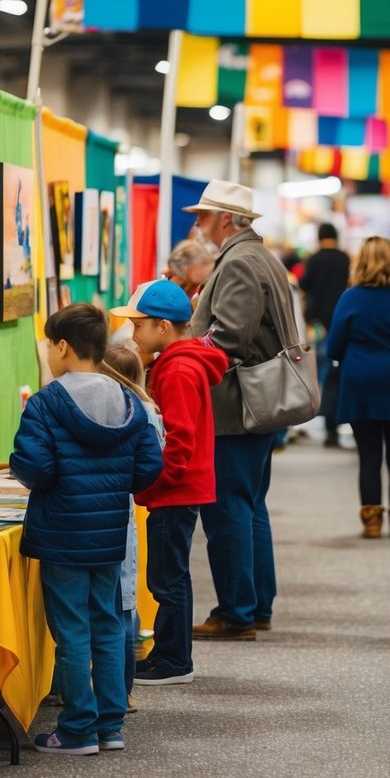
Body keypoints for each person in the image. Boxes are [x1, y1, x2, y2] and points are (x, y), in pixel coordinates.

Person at [11, 303, 163, 755]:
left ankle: (77, 728)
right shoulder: (129, 402)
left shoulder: (46, 402)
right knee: (109, 625)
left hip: (61, 535)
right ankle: (111, 725)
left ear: (61, 346)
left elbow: (33, 467)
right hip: (110, 535)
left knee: (73, 631)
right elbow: (149, 465)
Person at [187, 180, 299, 639]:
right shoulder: (260, 258)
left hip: (235, 407)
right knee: (250, 505)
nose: (197, 224)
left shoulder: (238, 262)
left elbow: (230, 337)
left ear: (226, 218)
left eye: (204, 216)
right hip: (257, 403)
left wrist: (186, 352)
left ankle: (235, 612)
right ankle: (254, 606)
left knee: (228, 508)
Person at [111, 279, 228, 684]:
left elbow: (177, 441)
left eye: (138, 324)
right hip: (180, 487)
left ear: (163, 326)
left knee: (167, 578)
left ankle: (174, 661)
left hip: (174, 489)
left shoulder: (177, 369)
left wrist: (153, 484)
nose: (132, 333)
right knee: (172, 574)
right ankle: (170, 653)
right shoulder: (182, 361)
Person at [326, 237, 390, 538]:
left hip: (360, 384)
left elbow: (333, 347)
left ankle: (371, 523)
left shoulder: (350, 298)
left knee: (368, 457)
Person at [98, 344, 166, 713]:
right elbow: (151, 463)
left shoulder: (120, 413)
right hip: (125, 507)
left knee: (117, 609)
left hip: (115, 511)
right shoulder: (149, 411)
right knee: (124, 605)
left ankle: (119, 692)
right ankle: (122, 690)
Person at [299, 223, 352, 448]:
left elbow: (304, 286)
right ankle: (335, 425)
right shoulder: (345, 259)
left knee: (319, 375)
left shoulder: (312, 260)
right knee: (336, 375)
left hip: (319, 326)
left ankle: (320, 417)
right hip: (342, 324)